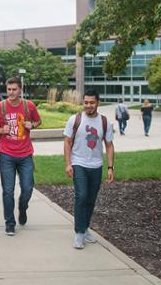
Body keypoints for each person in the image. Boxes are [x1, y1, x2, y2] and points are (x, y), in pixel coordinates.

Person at [0, 77, 41, 236]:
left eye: (14, 89)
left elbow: (38, 121)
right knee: (8, 190)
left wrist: (32, 125)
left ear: (20, 90)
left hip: (25, 154)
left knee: (27, 187)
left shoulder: (28, 106)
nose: (11, 92)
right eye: (9, 89)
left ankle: (22, 207)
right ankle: (10, 223)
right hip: (7, 155)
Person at [63, 89, 114, 250]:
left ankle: (85, 228)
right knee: (82, 196)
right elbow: (67, 142)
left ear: (97, 102)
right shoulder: (75, 119)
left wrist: (110, 167)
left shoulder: (105, 122)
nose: (88, 105)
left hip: (96, 165)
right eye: (86, 102)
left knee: (91, 199)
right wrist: (68, 163)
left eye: (92, 102)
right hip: (79, 163)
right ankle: (79, 232)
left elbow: (109, 145)